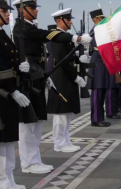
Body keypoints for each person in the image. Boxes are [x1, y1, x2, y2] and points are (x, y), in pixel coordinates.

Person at [12, 0, 91, 173]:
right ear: (21, 10)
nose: (36, 10)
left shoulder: (29, 27)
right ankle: (29, 163)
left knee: (37, 122)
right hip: (27, 78)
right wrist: (76, 39)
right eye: (32, 8)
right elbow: (46, 35)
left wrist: (43, 75)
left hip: (36, 75)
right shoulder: (22, 28)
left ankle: (35, 159)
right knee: (28, 126)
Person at [0, 0, 32, 189]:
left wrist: (21, 69)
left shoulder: (1, 34)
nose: (8, 15)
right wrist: (12, 91)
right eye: (3, 12)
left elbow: (10, 65)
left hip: (8, 93)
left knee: (9, 139)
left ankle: (7, 179)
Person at [47, 8, 87, 153]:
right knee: (61, 114)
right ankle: (59, 143)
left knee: (67, 112)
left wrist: (79, 59)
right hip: (61, 77)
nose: (70, 22)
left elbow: (69, 57)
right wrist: (75, 77)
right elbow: (61, 60)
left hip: (66, 77)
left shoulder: (64, 36)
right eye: (68, 20)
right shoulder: (57, 37)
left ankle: (66, 140)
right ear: (59, 21)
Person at [86, 9, 111, 127]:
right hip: (98, 62)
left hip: (103, 61)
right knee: (97, 92)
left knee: (102, 91)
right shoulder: (95, 31)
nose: (103, 20)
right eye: (101, 19)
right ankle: (96, 119)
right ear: (95, 19)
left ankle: (100, 117)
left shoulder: (100, 30)